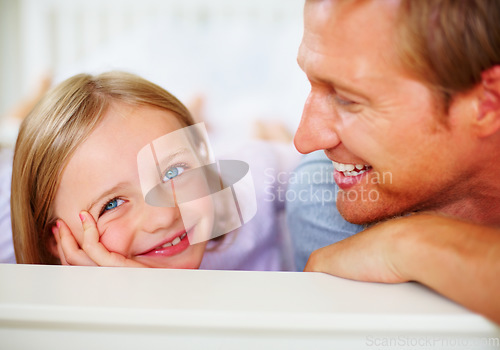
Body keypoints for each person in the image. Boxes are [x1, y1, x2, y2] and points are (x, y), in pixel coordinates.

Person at [291, 0, 500, 324]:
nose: (305, 140)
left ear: (489, 103)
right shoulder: (327, 192)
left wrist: (413, 243)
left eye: (348, 98)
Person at [11, 71, 295, 270]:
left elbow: (311, 169)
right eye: (112, 204)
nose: (164, 216)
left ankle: (264, 130)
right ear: (55, 240)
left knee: (277, 142)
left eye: (173, 173)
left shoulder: (248, 190)